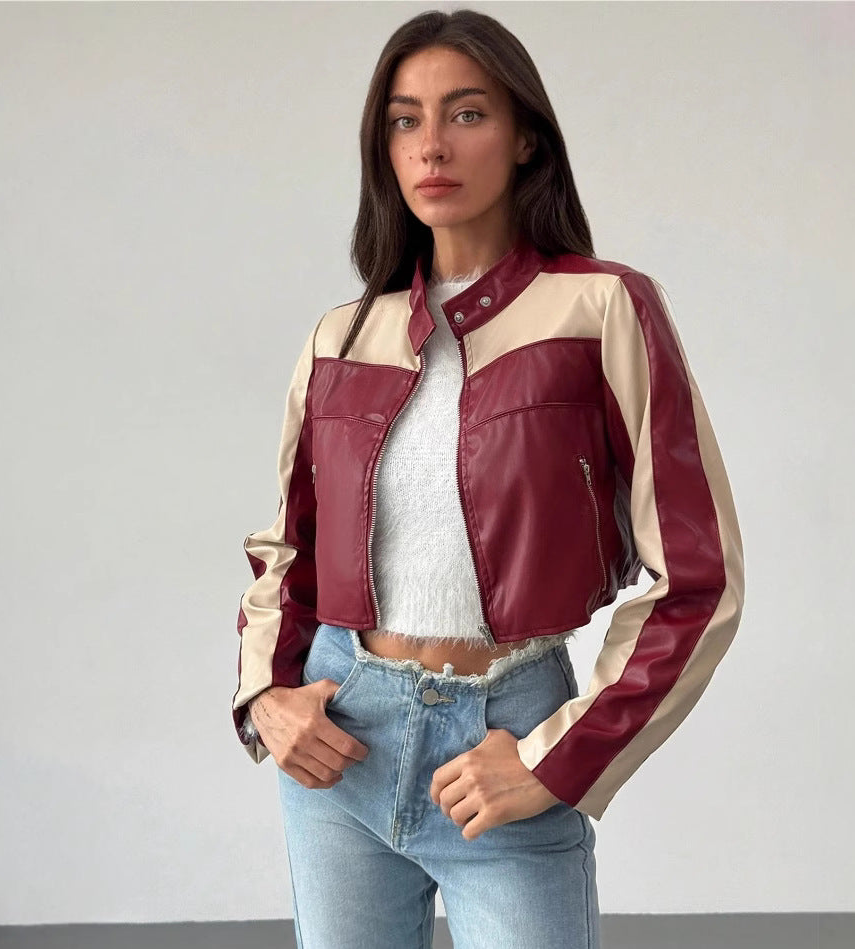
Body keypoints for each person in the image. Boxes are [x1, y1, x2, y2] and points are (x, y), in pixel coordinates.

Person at [230, 8, 745, 948]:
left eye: (466, 114)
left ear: (524, 139)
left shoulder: (601, 307)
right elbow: (287, 550)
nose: (432, 145)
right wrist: (267, 695)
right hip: (341, 744)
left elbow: (696, 578)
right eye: (405, 119)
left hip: (505, 739)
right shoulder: (341, 335)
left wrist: (556, 758)